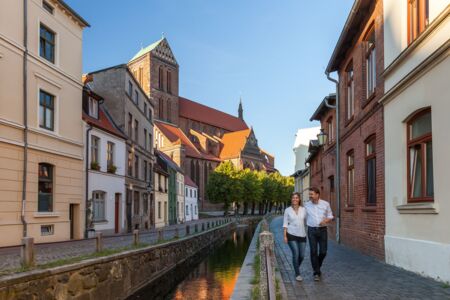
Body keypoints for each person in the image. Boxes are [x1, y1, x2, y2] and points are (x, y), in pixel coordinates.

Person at [304, 187, 333, 281]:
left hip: (322, 230)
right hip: (311, 230)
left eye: (311, 194)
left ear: (317, 195)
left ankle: (317, 266)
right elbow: (302, 216)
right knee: (313, 251)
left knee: (323, 252)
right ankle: (316, 272)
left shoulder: (325, 204)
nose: (310, 196)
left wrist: (325, 220)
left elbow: (330, 215)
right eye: (309, 194)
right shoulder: (306, 205)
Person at [283, 192, 307, 282]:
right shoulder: (287, 210)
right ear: (291, 199)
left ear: (299, 199)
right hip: (291, 234)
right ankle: (297, 274)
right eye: (293, 198)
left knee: (302, 256)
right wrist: (285, 236)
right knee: (296, 254)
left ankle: (295, 266)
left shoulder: (304, 210)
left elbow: (308, 220)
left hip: (302, 235)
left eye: (296, 198)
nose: (295, 199)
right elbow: (285, 223)